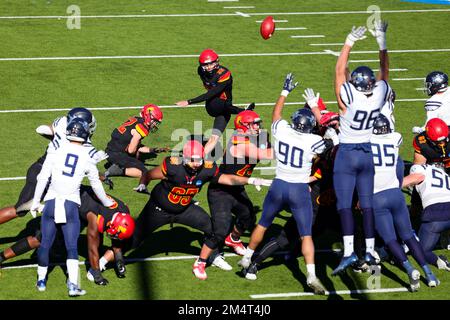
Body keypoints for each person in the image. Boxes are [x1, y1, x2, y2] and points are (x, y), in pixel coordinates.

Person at [238, 73, 333, 295]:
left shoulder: (282, 131)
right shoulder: (313, 140)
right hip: (299, 188)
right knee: (306, 235)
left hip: (279, 185)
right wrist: (322, 119)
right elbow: (329, 141)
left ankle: (247, 256)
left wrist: (285, 91)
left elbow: (276, 114)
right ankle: (311, 273)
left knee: (262, 224)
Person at [129, 140, 271, 280]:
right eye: (193, 160)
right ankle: (112, 257)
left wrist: (251, 180)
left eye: (199, 159)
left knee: (213, 229)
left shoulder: (207, 168)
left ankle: (209, 257)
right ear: (184, 158)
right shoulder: (173, 166)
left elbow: (227, 179)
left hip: (184, 208)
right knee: (134, 240)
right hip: (158, 209)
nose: (197, 163)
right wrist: (143, 184)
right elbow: (149, 174)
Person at [329, 21, 393, 275]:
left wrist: (349, 41)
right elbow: (385, 71)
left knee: (345, 204)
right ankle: (370, 249)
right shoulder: (378, 96)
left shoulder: (349, 97)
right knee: (367, 205)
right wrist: (382, 41)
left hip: (347, 153)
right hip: (368, 153)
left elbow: (338, 71)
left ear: (355, 83)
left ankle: (348, 252)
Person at [30, 118, 116, 297]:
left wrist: (36, 201)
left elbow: (42, 178)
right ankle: (72, 286)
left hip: (51, 203)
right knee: (71, 247)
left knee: (45, 244)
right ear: (86, 134)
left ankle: (41, 281)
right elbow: (96, 185)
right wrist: (108, 203)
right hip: (70, 206)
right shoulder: (86, 156)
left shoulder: (54, 151)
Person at [0, 185, 134, 286]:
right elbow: (92, 246)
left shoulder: (124, 210)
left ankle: (57, 246)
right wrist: (97, 274)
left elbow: (118, 235)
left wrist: (118, 257)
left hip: (83, 203)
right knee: (40, 239)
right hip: (67, 203)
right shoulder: (96, 219)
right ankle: (1, 257)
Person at [371, 114, 439, 291]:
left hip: (377, 197)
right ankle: (429, 274)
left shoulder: (366, 143)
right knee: (408, 235)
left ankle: (409, 269)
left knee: (390, 239)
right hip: (396, 194)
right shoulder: (395, 138)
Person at [0, 108, 102, 226]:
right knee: (19, 210)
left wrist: (55, 137)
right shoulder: (86, 147)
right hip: (44, 174)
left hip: (41, 169)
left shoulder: (62, 122)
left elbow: (42, 129)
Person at [206, 110, 273, 257]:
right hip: (221, 190)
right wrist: (290, 147)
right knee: (221, 228)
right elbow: (266, 155)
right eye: (253, 124)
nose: (257, 127)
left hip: (237, 186)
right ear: (243, 126)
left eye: (257, 124)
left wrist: (264, 138)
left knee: (248, 216)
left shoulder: (249, 137)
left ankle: (233, 239)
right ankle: (207, 257)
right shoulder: (240, 142)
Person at [175, 49, 254, 156]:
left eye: (211, 64)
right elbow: (210, 95)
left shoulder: (224, 74)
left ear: (216, 62)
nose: (208, 67)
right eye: (205, 65)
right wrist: (189, 102)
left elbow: (212, 92)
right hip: (213, 104)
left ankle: (200, 158)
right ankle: (244, 111)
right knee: (225, 104)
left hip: (224, 107)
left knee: (214, 138)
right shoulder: (201, 71)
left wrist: (189, 102)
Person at [403, 163, 450, 279]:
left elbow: (414, 211)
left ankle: (441, 262)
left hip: (435, 215)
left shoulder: (419, 174)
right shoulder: (445, 176)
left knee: (422, 252)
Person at [104, 104, 165, 192]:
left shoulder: (136, 119)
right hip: (117, 154)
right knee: (145, 172)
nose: (155, 124)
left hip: (110, 149)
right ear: (148, 115)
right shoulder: (142, 127)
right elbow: (131, 150)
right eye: (154, 121)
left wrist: (152, 150)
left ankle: (118, 165)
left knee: (136, 157)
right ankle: (117, 170)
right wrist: (135, 154)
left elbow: (135, 145)